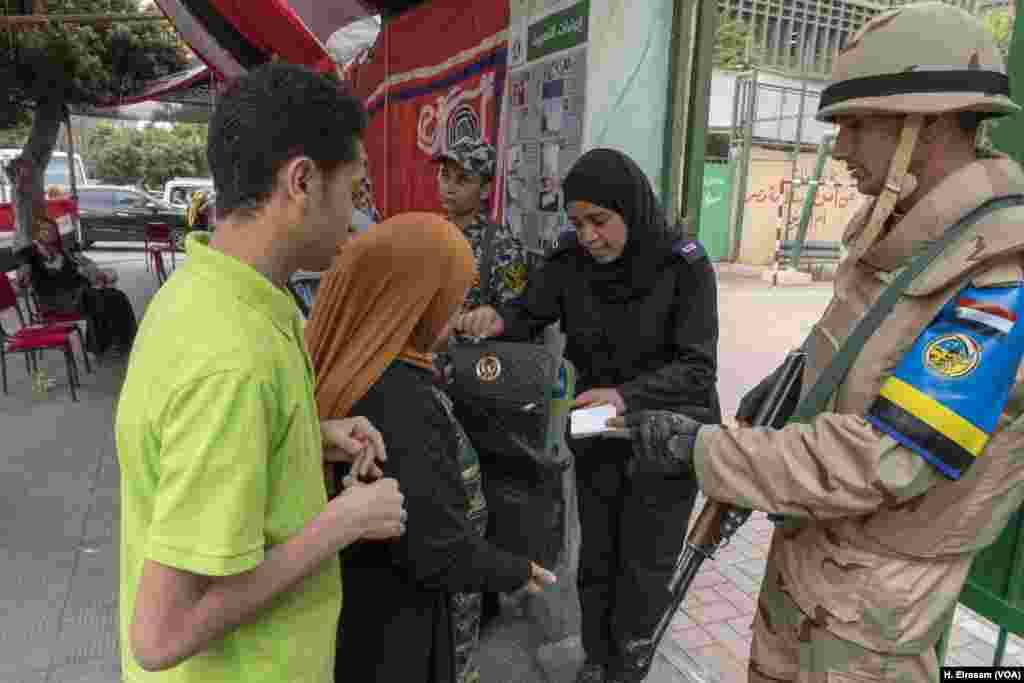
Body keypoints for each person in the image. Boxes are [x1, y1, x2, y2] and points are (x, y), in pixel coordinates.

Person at [610, 5, 1024, 682]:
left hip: (871, 624)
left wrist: (707, 451)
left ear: (925, 126)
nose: (839, 150)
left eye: (856, 126)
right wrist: (787, 391)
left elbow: (886, 460)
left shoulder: (999, 278)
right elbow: (850, 357)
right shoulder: (902, 237)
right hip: (810, 568)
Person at [114, 63, 406, 681]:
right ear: (301, 181)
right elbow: (161, 634)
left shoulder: (210, 290)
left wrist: (307, 434)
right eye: (353, 193)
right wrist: (343, 522)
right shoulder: (233, 358)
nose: (357, 221)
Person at [459, 148, 721, 683]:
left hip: (662, 435)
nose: (588, 236)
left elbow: (698, 367)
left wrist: (626, 395)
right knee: (597, 557)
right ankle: (598, 661)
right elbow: (529, 314)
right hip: (596, 429)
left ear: (631, 208)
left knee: (645, 567)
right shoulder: (571, 264)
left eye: (599, 221)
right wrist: (495, 320)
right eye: (576, 223)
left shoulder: (682, 266)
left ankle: (630, 667)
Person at [305, 212, 556, 683]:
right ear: (417, 301)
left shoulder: (358, 366)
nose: (456, 314)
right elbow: (433, 547)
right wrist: (515, 570)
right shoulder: (396, 398)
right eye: (452, 297)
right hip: (395, 632)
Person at [22, 214, 136, 357]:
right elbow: (24, 271)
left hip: (77, 294)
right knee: (97, 299)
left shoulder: (63, 251)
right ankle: (102, 347)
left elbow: (78, 270)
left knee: (117, 296)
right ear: (37, 233)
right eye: (44, 230)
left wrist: (91, 271)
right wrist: (24, 274)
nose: (49, 233)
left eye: (52, 230)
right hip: (54, 300)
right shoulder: (30, 253)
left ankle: (128, 341)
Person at [434, 138, 530, 308]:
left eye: (463, 180)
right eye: (445, 175)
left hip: (474, 335)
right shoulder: (433, 234)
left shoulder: (503, 247)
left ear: (485, 190)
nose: (449, 187)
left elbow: (518, 316)